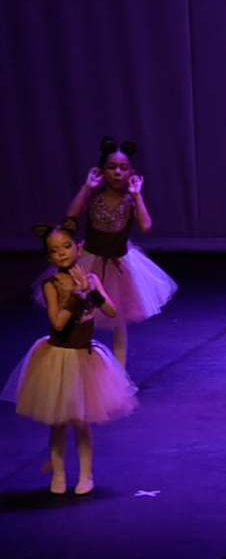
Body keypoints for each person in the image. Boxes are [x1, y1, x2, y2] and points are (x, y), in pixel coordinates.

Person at [6, 221, 138, 494]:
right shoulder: (51, 285)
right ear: (49, 258)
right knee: (57, 421)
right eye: (55, 250)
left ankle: (86, 475)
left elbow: (112, 312)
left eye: (66, 246)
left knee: (81, 420)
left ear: (78, 248)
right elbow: (57, 322)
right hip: (58, 358)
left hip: (85, 358)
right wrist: (76, 298)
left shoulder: (92, 279)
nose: (62, 253)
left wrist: (91, 292)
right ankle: (58, 475)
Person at [60, 138, 176, 364]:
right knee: (81, 316)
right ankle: (81, 368)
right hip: (89, 263)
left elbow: (146, 225)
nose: (117, 173)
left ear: (131, 172)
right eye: (112, 167)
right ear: (101, 171)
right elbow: (70, 216)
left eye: (123, 168)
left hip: (120, 266)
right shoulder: (93, 198)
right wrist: (86, 188)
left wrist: (137, 195)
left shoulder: (130, 200)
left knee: (118, 322)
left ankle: (119, 374)